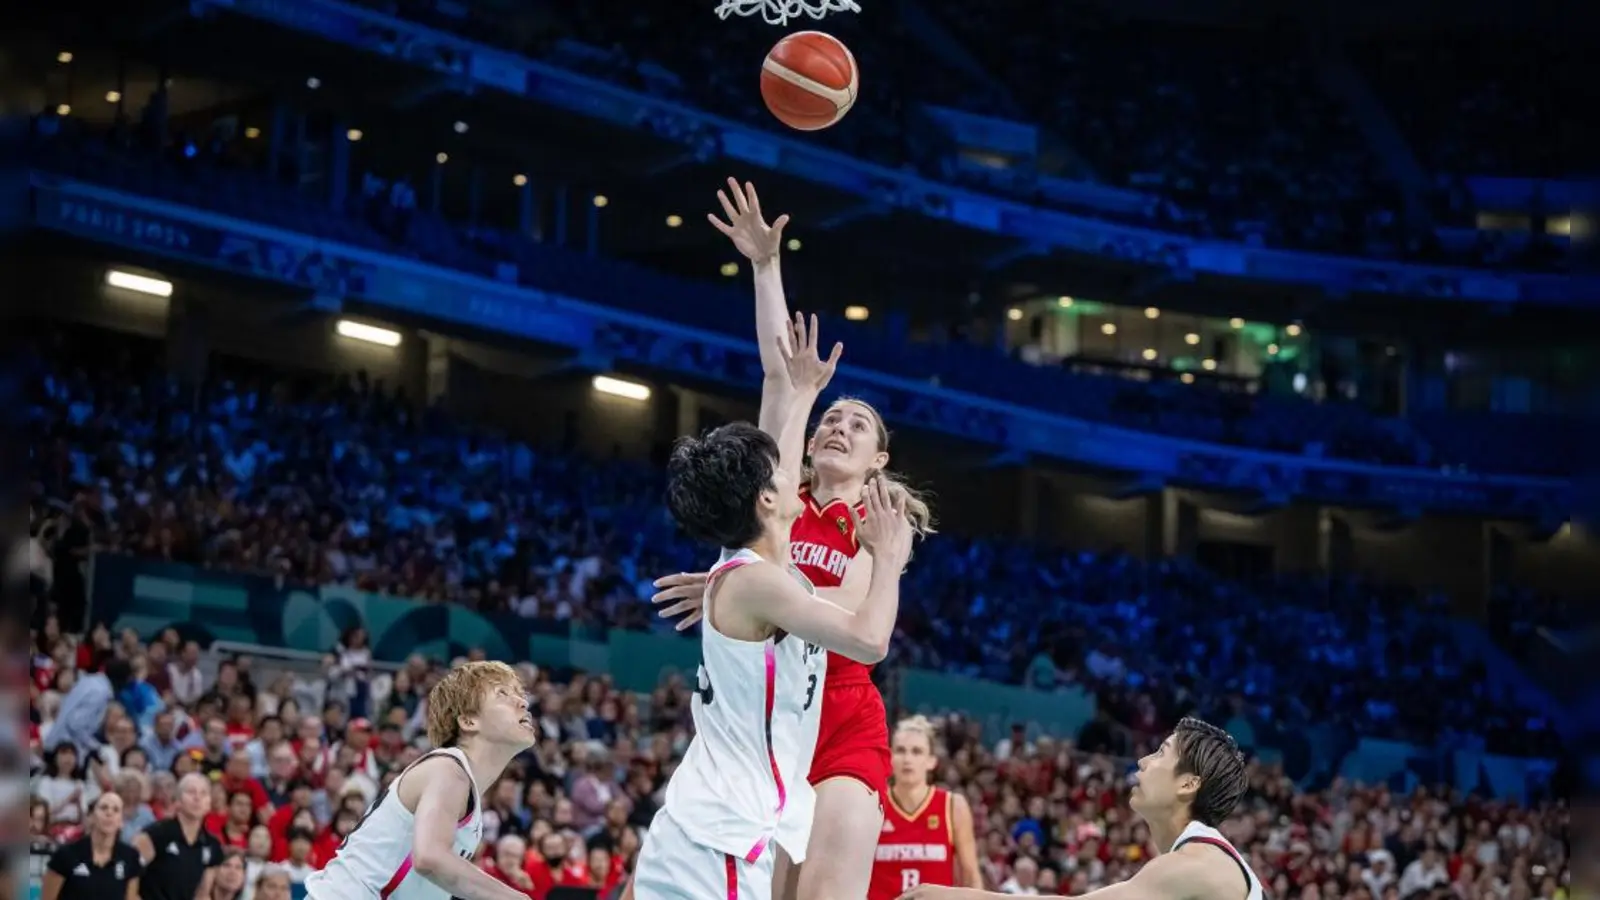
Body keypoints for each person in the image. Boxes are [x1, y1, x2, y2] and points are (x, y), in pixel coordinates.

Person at [652, 177, 935, 900]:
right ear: (807, 451)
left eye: (859, 424)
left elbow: (844, 627)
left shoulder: (874, 526)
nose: (837, 425)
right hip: (775, 727)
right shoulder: (774, 504)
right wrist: (765, 265)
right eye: (831, 419)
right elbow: (783, 376)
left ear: (879, 460)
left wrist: (743, 587)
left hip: (842, 717)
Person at [895, 718, 1260, 900]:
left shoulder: (1196, 864)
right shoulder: (1189, 860)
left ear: (1188, 784)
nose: (1144, 760)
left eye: (1162, 752)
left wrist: (948, 896)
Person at [304, 660, 539, 900]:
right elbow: (430, 858)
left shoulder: (464, 790)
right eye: (503, 694)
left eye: (520, 695)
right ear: (468, 721)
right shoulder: (447, 769)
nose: (523, 702)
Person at [868, 717, 981, 899]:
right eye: (900, 751)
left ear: (931, 761)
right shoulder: (872, 804)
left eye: (917, 752)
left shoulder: (953, 806)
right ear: (889, 757)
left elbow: (971, 876)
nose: (907, 759)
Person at [135, 772, 225, 900]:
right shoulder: (157, 833)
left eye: (203, 793)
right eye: (191, 792)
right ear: (178, 800)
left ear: (209, 803)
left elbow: (203, 893)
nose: (197, 798)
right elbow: (129, 876)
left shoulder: (211, 845)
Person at [42, 792, 142, 900]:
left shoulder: (130, 856)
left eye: (116, 810)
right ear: (92, 816)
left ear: (121, 821)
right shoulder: (66, 855)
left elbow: (130, 897)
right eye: (104, 808)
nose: (109, 813)